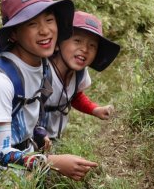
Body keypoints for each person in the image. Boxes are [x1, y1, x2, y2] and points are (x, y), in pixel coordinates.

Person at [0, 0, 98, 181]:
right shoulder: (1, 82)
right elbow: (0, 152)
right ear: (14, 34)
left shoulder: (41, 65)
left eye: (49, 20)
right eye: (32, 24)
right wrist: (52, 162)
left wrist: (39, 132)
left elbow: (28, 110)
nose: (45, 30)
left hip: (24, 173)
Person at [38, 10, 121, 143]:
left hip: (51, 140)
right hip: (27, 140)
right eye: (77, 41)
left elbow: (74, 96)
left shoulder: (79, 74)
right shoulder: (41, 72)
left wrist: (95, 109)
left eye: (92, 45)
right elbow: (25, 108)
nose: (85, 49)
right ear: (58, 43)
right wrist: (38, 133)